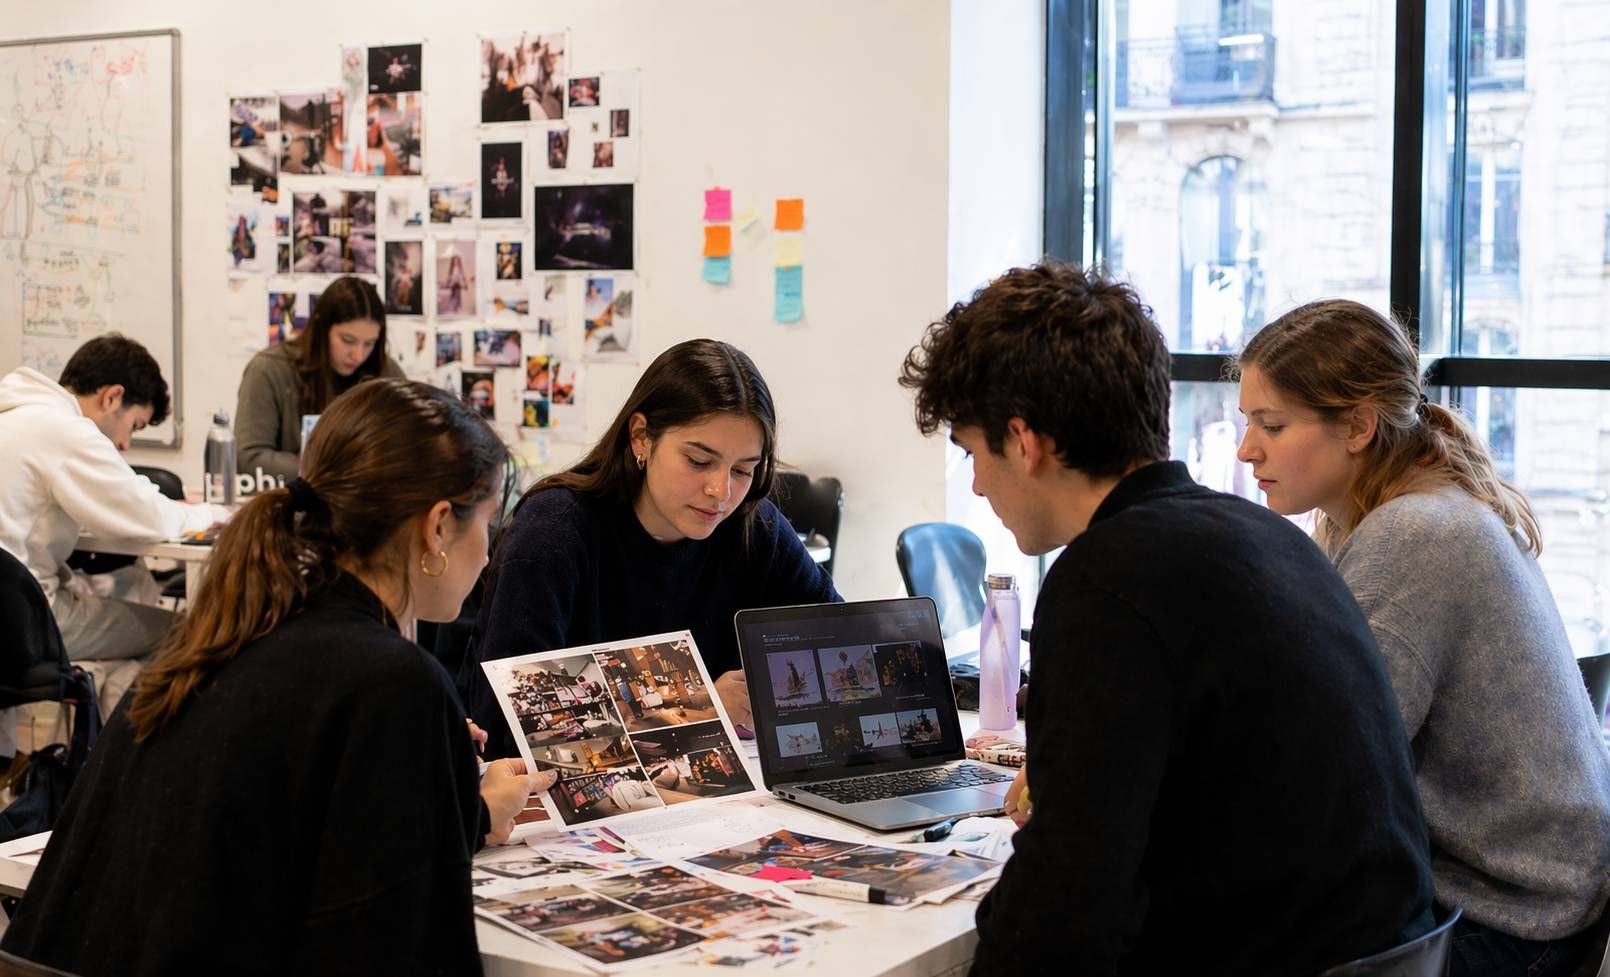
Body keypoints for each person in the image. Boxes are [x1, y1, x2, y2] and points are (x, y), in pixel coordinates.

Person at [898, 262, 1435, 976]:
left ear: (1024, 442)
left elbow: (1067, 909)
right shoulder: (1261, 537)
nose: (975, 482)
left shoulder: (1108, 580)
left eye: (972, 451)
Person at [0, 379, 549, 976]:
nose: (490, 552)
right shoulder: (390, 682)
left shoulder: (218, 638)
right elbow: (394, 945)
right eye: (488, 523)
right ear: (437, 526)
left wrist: (454, 801)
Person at [1235, 299, 1610, 977]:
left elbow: (1326, 769)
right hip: (1533, 893)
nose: (1246, 448)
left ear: (1357, 425)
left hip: (1517, 920)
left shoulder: (1412, 533)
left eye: (1272, 424)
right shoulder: (1376, 510)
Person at [462, 339, 838, 759]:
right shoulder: (553, 532)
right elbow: (510, 726)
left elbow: (839, 635)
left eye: (743, 470)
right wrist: (698, 708)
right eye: (698, 461)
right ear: (641, 437)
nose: (721, 492)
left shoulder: (753, 523)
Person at [0, 335, 224, 710]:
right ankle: (132, 758)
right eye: (134, 426)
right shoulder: (67, 432)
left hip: (10, 612)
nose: (125, 445)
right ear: (112, 397)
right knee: (185, 630)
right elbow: (150, 517)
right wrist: (214, 514)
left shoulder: (14, 412)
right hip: (24, 621)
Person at [236, 275, 403, 483]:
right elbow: (248, 458)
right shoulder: (268, 370)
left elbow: (408, 448)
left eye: (369, 344)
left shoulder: (386, 373)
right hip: (291, 504)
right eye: (347, 340)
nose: (358, 355)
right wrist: (333, 471)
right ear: (321, 329)